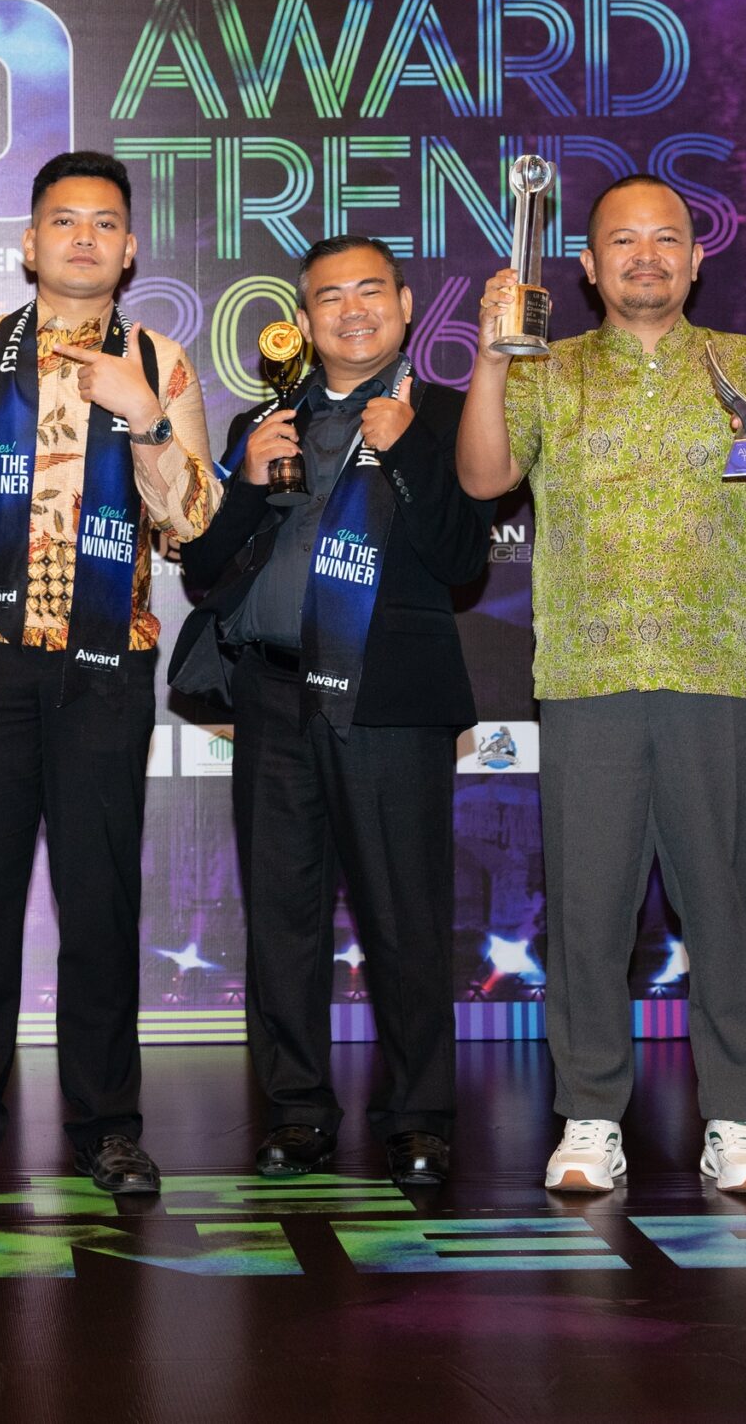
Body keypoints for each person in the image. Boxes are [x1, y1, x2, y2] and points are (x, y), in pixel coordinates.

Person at [457, 175, 746, 1198]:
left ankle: (737, 1117)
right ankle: (590, 1114)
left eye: (667, 239)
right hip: (589, 674)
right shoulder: (550, 366)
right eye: (624, 241)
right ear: (588, 264)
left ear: (696, 259)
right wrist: (491, 355)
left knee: (725, 907)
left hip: (720, 669)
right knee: (587, 910)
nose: (646, 256)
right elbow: (483, 479)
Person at [0, 150, 217, 1201]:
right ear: (26, 244)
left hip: (107, 660)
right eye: (63, 220)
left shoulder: (159, 358)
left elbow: (195, 520)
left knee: (99, 899)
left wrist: (146, 416)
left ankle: (108, 1127)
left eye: (103, 222)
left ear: (129, 248)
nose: (83, 237)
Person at [172, 235, 495, 1189]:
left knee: (404, 916)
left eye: (370, 291)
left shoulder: (447, 415)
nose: (352, 310)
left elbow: (461, 556)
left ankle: (420, 1117)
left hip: (387, 698)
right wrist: (242, 482)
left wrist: (405, 451)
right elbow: (203, 568)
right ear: (304, 321)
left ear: (405, 304)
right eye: (329, 297)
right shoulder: (263, 419)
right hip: (272, 695)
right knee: (283, 917)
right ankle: (297, 1110)